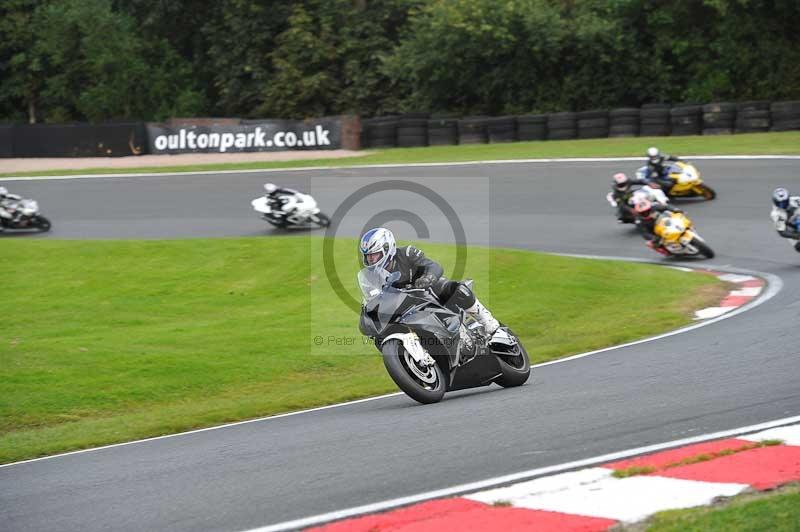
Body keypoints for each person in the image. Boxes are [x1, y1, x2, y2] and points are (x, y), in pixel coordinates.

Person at [359, 227, 502, 340]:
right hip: (403, 308)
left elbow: (434, 266)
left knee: (454, 288)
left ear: (386, 249)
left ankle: (490, 324)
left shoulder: (407, 253)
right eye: (368, 256)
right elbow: (372, 296)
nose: (371, 259)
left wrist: (427, 278)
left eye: (374, 255)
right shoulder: (373, 276)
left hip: (426, 293)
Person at [770, 187, 800, 252]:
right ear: (775, 201)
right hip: (791, 230)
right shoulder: (776, 214)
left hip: (798, 219)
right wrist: (797, 236)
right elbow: (782, 232)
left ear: (788, 199)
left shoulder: (796, 200)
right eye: (780, 203)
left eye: (784, 202)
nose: (782, 205)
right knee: (798, 247)